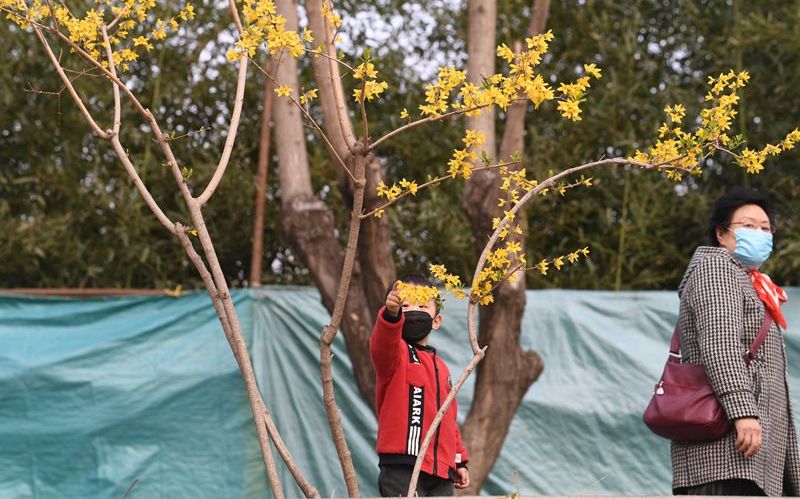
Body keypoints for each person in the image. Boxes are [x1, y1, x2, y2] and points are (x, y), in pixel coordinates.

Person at [672, 187, 800, 496]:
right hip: (727, 452)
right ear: (721, 233)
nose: (759, 233)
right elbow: (720, 346)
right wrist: (743, 413)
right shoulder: (718, 269)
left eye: (765, 228)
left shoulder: (751, 282)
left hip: (749, 455)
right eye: (747, 225)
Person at [370, 275, 470, 496]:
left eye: (422, 305)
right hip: (402, 466)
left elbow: (448, 417)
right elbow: (382, 343)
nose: (413, 310)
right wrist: (390, 314)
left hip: (442, 473)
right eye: (405, 305)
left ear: (436, 321)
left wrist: (459, 461)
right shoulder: (396, 354)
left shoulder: (442, 368)